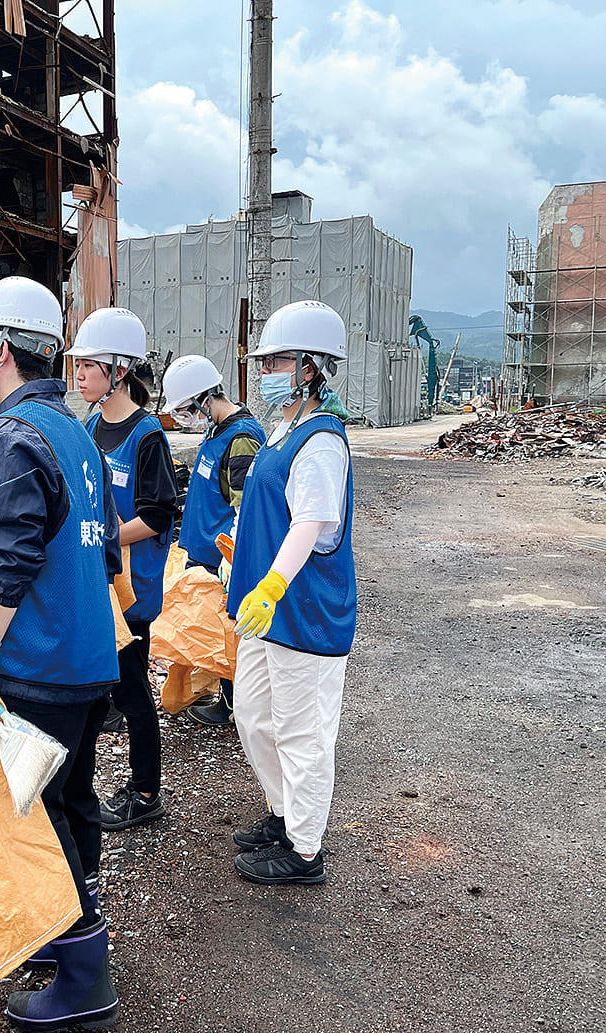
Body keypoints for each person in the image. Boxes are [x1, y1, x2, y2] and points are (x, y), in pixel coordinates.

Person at [0, 276, 121, 1031]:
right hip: (87, 658)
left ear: (1, 349)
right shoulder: (76, 430)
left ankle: (86, 975)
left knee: (35, 817)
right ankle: (63, 932)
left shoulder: (14, 434)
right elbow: (107, 545)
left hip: (40, 665)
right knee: (72, 800)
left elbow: (10, 559)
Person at [226, 300, 356, 886]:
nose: (265, 370)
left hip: (302, 611)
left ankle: (304, 850)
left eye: (276, 360)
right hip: (266, 609)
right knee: (253, 715)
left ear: (308, 368)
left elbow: (310, 523)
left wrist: (274, 582)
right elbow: (267, 510)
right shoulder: (284, 431)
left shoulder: (322, 442)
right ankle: (283, 813)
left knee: (303, 732)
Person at [69, 307, 176, 832]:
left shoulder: (146, 435)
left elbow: (158, 514)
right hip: (100, 577)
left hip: (131, 587)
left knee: (133, 689)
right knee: (105, 682)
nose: (80, 374)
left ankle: (146, 790)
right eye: (79, 365)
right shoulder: (91, 427)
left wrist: (105, 535)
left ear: (118, 370)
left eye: (89, 365)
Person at [160, 355, 265, 725]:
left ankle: (243, 710)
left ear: (206, 399)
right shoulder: (216, 431)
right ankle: (229, 700)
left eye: (187, 409)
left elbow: (245, 508)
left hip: (222, 559)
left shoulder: (241, 440)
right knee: (213, 632)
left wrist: (232, 558)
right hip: (202, 553)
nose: (184, 417)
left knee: (231, 634)